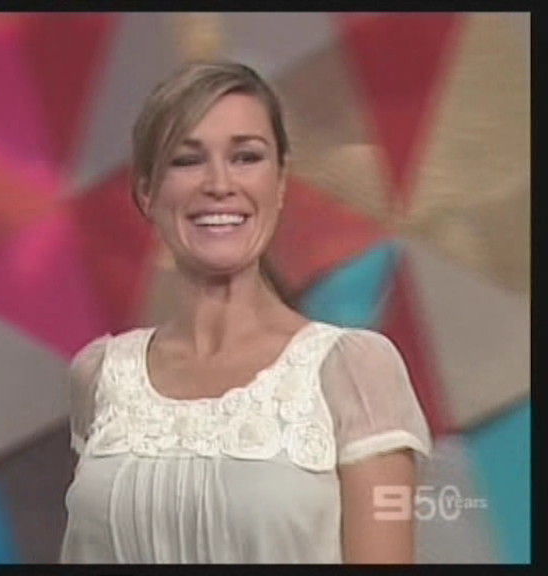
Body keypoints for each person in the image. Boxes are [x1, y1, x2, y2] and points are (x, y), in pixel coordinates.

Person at [59, 60, 432, 564]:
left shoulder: (355, 371)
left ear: (279, 182)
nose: (219, 183)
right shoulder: (100, 374)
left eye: (246, 157)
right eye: (187, 160)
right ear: (146, 190)